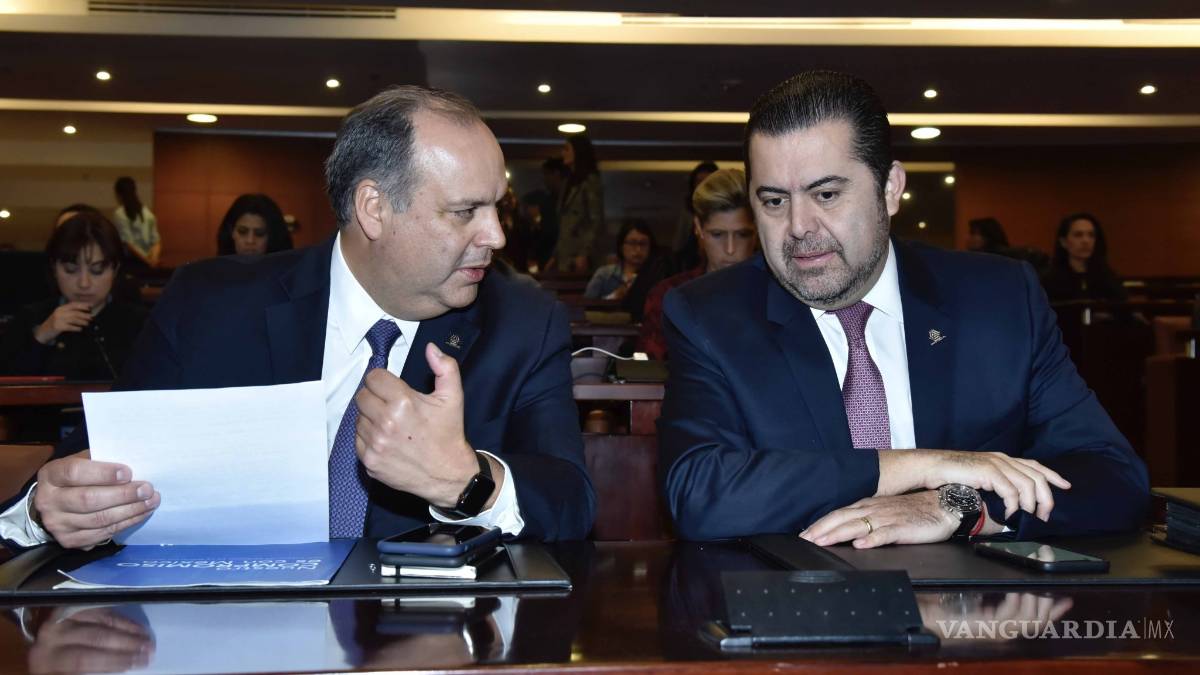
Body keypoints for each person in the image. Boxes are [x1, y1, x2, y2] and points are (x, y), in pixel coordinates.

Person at [0, 85, 595, 550]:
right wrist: (43, 511)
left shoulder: (524, 323)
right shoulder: (211, 305)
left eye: (497, 208)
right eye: (465, 211)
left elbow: (571, 503)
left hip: (419, 638)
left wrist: (464, 479)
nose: (495, 236)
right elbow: (86, 467)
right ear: (373, 208)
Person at [657, 70, 1148, 545]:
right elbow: (697, 492)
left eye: (826, 194)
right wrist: (915, 466)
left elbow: (1112, 475)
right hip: (798, 594)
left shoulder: (999, 300)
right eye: (774, 202)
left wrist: (956, 505)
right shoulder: (710, 316)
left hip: (981, 596)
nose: (799, 226)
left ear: (890, 189)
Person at [0, 211, 147, 380]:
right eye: (71, 270)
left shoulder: (140, 323)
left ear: (115, 269)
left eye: (97, 270)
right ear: (54, 268)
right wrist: (41, 337)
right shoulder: (30, 318)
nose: (84, 283)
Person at [639, 168, 757, 360]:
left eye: (742, 234)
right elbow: (651, 368)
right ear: (698, 228)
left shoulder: (779, 297)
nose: (730, 249)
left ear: (757, 230)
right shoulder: (668, 297)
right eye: (717, 234)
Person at [1042, 213, 1126, 303]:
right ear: (1063, 242)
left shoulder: (1108, 277)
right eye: (1078, 235)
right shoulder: (1050, 281)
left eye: (1091, 235)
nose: (1086, 241)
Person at [549, 135, 604, 273]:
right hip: (566, 255)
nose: (563, 153)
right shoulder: (568, 183)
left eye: (567, 149)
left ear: (578, 152)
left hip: (580, 256)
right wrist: (555, 255)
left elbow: (596, 221)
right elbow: (564, 225)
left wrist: (585, 254)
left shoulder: (590, 182)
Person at [583, 220, 654, 300]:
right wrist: (614, 296)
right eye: (632, 243)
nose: (638, 249)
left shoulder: (655, 276)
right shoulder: (604, 274)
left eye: (643, 244)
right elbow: (587, 304)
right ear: (621, 246)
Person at [669, 161, 719, 271]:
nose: (703, 186)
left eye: (708, 181)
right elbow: (678, 246)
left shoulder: (727, 210)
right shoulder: (687, 212)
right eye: (699, 181)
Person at [216, 193, 294, 256]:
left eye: (260, 233)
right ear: (231, 231)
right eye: (242, 231)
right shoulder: (217, 269)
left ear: (272, 236)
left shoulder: (290, 269)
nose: (250, 240)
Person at [111, 176, 161, 269]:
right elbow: (156, 241)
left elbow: (128, 244)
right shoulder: (147, 213)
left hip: (131, 263)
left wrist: (148, 261)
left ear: (118, 195)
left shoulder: (120, 214)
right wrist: (153, 259)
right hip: (147, 261)